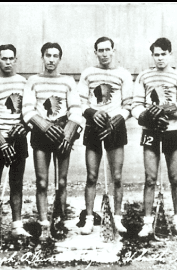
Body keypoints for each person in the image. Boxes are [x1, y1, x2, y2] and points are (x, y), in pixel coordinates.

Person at [22, 42, 82, 241]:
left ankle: (60, 219)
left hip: (63, 131)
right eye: (48, 55)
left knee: (62, 181)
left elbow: (75, 109)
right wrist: (45, 126)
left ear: (60, 59)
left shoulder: (68, 81)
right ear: (42, 57)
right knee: (41, 182)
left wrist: (67, 132)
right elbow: (28, 111)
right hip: (41, 132)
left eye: (55, 56)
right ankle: (43, 223)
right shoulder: (33, 81)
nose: (51, 59)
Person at [132, 37, 177, 237]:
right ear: (152, 56)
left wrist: (169, 109)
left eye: (163, 54)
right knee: (150, 178)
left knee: (175, 178)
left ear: (170, 54)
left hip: (173, 131)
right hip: (150, 131)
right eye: (156, 54)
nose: (160, 58)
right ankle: (147, 222)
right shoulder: (144, 76)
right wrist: (147, 116)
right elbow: (136, 105)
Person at [78, 36, 133, 235]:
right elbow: (81, 102)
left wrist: (117, 119)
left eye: (107, 49)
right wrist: (92, 114)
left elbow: (128, 105)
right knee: (92, 176)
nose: (104, 54)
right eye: (100, 50)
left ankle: (117, 218)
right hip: (94, 126)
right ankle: (89, 219)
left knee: (117, 176)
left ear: (113, 50)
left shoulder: (123, 74)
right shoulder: (88, 73)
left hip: (115, 127)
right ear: (95, 53)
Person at [0, 44, 31, 238]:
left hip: (18, 138)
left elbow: (29, 112)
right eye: (4, 58)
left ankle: (17, 225)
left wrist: (25, 128)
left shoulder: (23, 82)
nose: (8, 62)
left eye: (11, 58)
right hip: (0, 138)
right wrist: (2, 142)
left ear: (16, 60)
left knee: (16, 182)